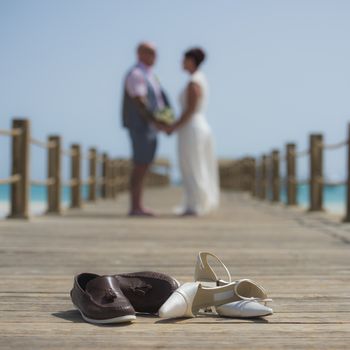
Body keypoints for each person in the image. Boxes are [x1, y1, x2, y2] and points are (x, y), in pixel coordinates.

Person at [168, 48, 219, 215]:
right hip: (197, 125)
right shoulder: (199, 79)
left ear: (191, 60)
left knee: (192, 164)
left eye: (184, 59)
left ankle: (197, 203)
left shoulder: (194, 81)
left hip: (192, 127)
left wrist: (174, 126)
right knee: (196, 163)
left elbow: (190, 109)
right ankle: (195, 202)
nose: (181, 63)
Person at [122, 42, 170, 216]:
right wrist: (158, 121)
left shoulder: (148, 74)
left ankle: (138, 205)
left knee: (144, 164)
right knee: (140, 165)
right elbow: (140, 101)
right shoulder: (136, 74)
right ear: (140, 54)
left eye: (155, 53)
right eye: (150, 53)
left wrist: (164, 120)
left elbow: (157, 100)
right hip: (141, 127)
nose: (154, 57)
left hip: (149, 127)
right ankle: (135, 207)